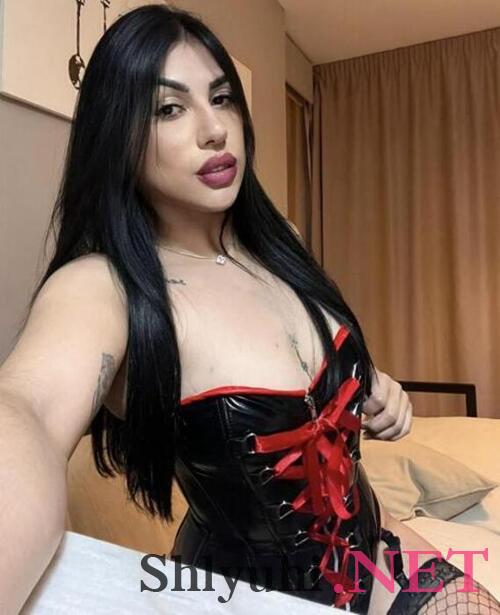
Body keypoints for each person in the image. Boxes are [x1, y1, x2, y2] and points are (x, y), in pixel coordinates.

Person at [0, 5, 498, 614]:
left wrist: (373, 385)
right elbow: (25, 409)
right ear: (116, 133)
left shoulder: (280, 241)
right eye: (169, 108)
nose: (215, 129)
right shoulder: (105, 287)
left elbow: (306, 369)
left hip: (377, 550)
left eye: (222, 98)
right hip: (248, 597)